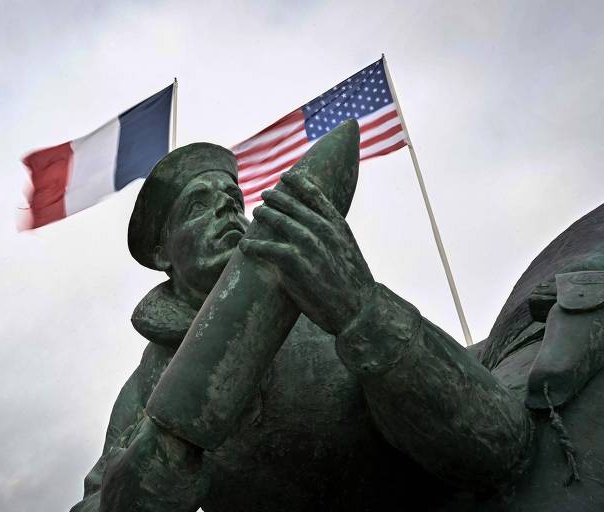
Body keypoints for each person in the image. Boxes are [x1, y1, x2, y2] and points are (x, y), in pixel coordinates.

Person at [69, 129, 604, 512]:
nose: (229, 210)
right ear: (163, 253)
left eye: (234, 198)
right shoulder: (143, 392)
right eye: (199, 205)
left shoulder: (324, 292)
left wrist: (360, 311)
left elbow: (499, 447)